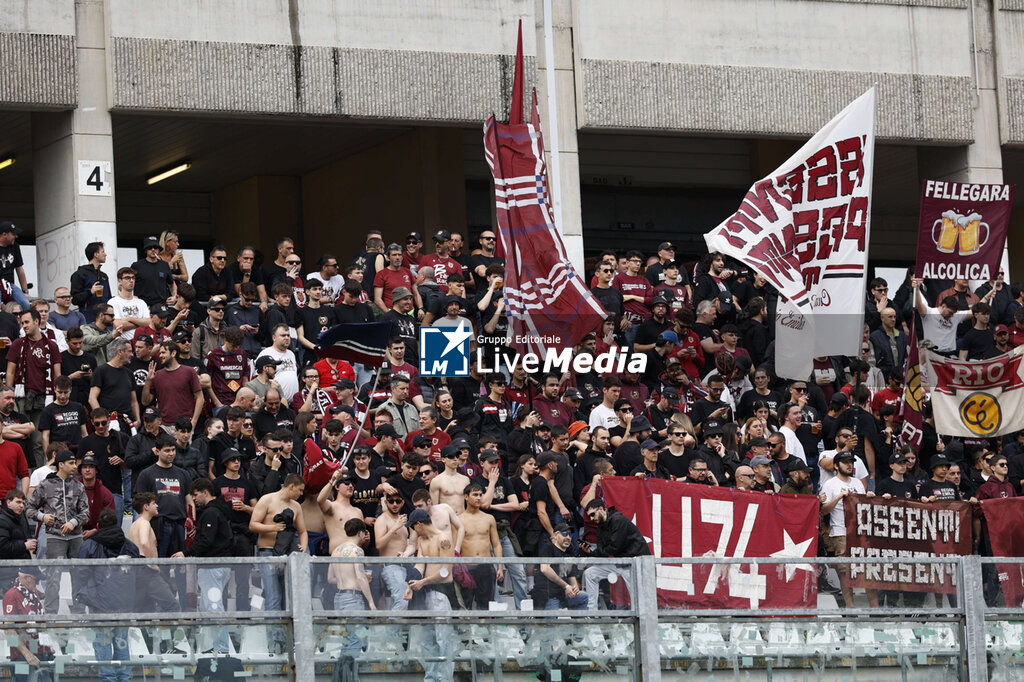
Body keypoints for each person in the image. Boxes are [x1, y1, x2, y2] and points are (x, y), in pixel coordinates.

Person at [75, 508, 139, 682]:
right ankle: (124, 677)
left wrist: (81, 594)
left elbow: (80, 573)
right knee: (122, 641)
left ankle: (108, 678)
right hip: (124, 603)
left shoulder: (89, 545)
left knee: (102, 642)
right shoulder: (130, 546)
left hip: (99, 604)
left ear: (98, 526)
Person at [173, 478, 234, 652]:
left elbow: (207, 541)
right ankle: (211, 646)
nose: (194, 499)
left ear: (205, 492)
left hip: (212, 566)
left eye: (195, 495)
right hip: (220, 565)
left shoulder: (210, 513)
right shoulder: (221, 510)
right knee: (209, 606)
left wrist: (185, 553)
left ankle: (221, 648)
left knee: (213, 607)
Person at [26, 449, 89, 612]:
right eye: (71, 463)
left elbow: (85, 513)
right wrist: (42, 517)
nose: (75, 466)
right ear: (60, 464)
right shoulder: (45, 485)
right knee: (53, 577)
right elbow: (29, 508)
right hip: (54, 537)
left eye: (75, 462)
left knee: (78, 576)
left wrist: (73, 522)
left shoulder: (79, 486)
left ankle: (79, 612)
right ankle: (51, 614)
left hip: (76, 537)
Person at [403, 508, 456, 682]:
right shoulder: (422, 541)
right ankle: (431, 678)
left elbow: (445, 571)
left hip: (441, 593)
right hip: (425, 593)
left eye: (413, 527)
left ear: (419, 524)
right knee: (427, 640)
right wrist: (411, 585)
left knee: (443, 640)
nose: (413, 531)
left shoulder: (444, 538)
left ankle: (445, 679)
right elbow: (420, 565)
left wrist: (423, 582)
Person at [250, 474, 308, 622]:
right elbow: (253, 525)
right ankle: (274, 641)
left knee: (289, 597)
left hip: (288, 554)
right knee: (273, 596)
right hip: (268, 552)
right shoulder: (267, 500)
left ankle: (286, 638)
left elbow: (302, 531)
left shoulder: (296, 506)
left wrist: (303, 547)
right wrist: (273, 527)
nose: (301, 494)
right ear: (291, 486)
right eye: (300, 490)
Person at [820, 451, 871, 607]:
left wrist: (870, 497)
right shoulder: (830, 484)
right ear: (836, 466)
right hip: (840, 532)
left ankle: (874, 608)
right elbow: (823, 510)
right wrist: (838, 498)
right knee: (844, 572)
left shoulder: (858, 483)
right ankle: (850, 608)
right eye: (845, 462)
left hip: (860, 532)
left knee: (867, 570)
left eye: (851, 462)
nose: (850, 465)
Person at [583, 499, 649, 610]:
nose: (591, 518)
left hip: (635, 563)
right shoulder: (600, 528)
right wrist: (590, 552)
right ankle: (591, 613)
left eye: (593, 514)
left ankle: (642, 618)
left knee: (639, 600)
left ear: (601, 509)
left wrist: (598, 552)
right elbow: (603, 552)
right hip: (620, 562)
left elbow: (614, 547)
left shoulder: (618, 520)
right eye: (589, 516)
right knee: (590, 573)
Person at [458, 482, 504, 609]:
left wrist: (500, 566)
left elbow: (496, 544)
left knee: (486, 605)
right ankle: (465, 629)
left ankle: (484, 628)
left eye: (480, 495)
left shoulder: (489, 518)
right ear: (466, 497)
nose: (478, 498)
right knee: (465, 604)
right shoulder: (458, 520)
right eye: (475, 495)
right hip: (467, 566)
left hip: (486, 566)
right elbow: (455, 548)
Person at [3, 566, 53, 680]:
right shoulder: (11, 595)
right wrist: (26, 654)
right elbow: (8, 629)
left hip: (41, 652)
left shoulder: (33, 592)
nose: (37, 584)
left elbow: (40, 621)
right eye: (36, 580)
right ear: (27, 578)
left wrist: (49, 644)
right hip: (22, 657)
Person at [70, 241, 112, 324]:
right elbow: (75, 300)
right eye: (103, 251)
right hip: (88, 319)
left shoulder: (104, 276)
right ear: (96, 254)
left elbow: (109, 298)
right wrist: (90, 292)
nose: (105, 254)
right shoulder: (79, 274)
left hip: (106, 321)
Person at [0, 490, 35, 588]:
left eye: (23, 503)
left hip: (20, 574)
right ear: (8, 502)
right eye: (18, 502)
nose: (21, 506)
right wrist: (24, 545)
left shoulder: (20, 519)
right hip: (6, 576)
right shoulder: (2, 520)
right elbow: (2, 547)